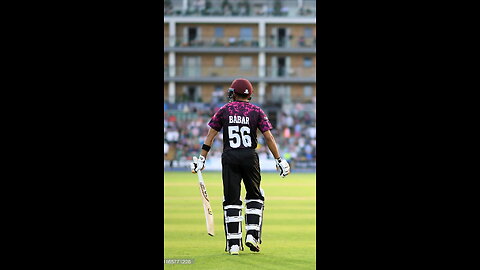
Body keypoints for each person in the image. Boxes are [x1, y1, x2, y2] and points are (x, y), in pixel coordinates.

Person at [190, 78, 290, 255]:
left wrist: (201, 159)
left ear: (234, 92)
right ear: (249, 94)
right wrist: (279, 159)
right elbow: (269, 138)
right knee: (255, 196)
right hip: (249, 157)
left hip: (230, 156)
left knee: (231, 200)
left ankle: (234, 243)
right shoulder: (257, 111)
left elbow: (210, 137)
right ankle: (252, 234)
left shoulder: (224, 110)